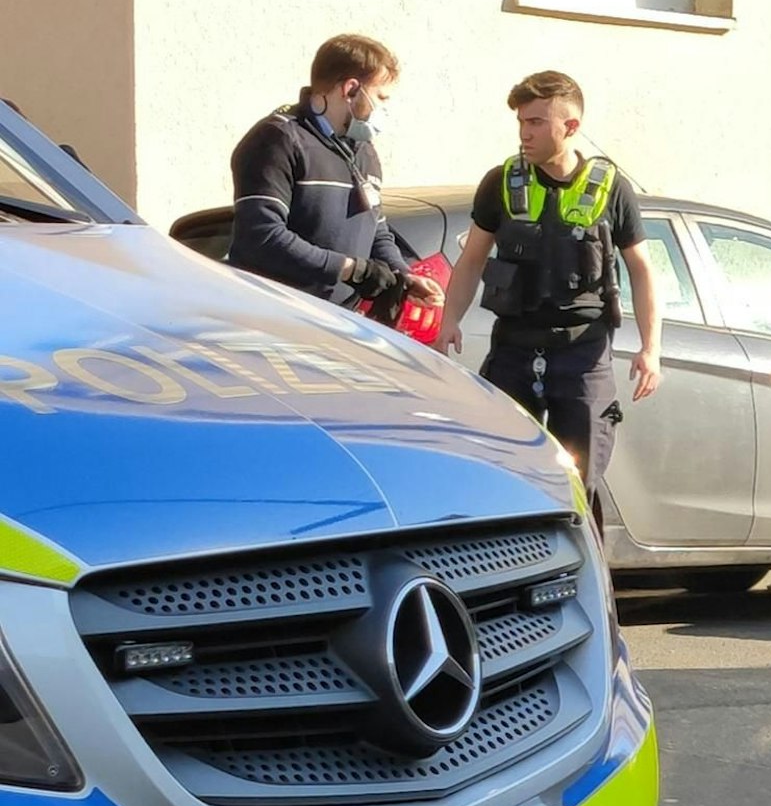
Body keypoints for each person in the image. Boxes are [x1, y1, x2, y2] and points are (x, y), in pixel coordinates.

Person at [433, 71, 660, 526]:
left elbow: (642, 268)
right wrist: (448, 321)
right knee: (502, 474)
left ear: (570, 127)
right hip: (514, 348)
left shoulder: (611, 188)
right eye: (521, 121)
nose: (524, 133)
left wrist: (651, 348)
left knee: (577, 481)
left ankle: (580, 581)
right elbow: (473, 259)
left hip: (582, 354)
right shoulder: (501, 182)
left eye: (536, 122)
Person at [226, 35, 441, 315]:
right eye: (381, 97)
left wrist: (403, 274)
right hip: (274, 317)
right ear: (351, 89)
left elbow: (376, 229)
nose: (385, 110)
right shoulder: (278, 140)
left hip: (339, 323)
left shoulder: (363, 150)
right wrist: (352, 270)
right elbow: (263, 237)